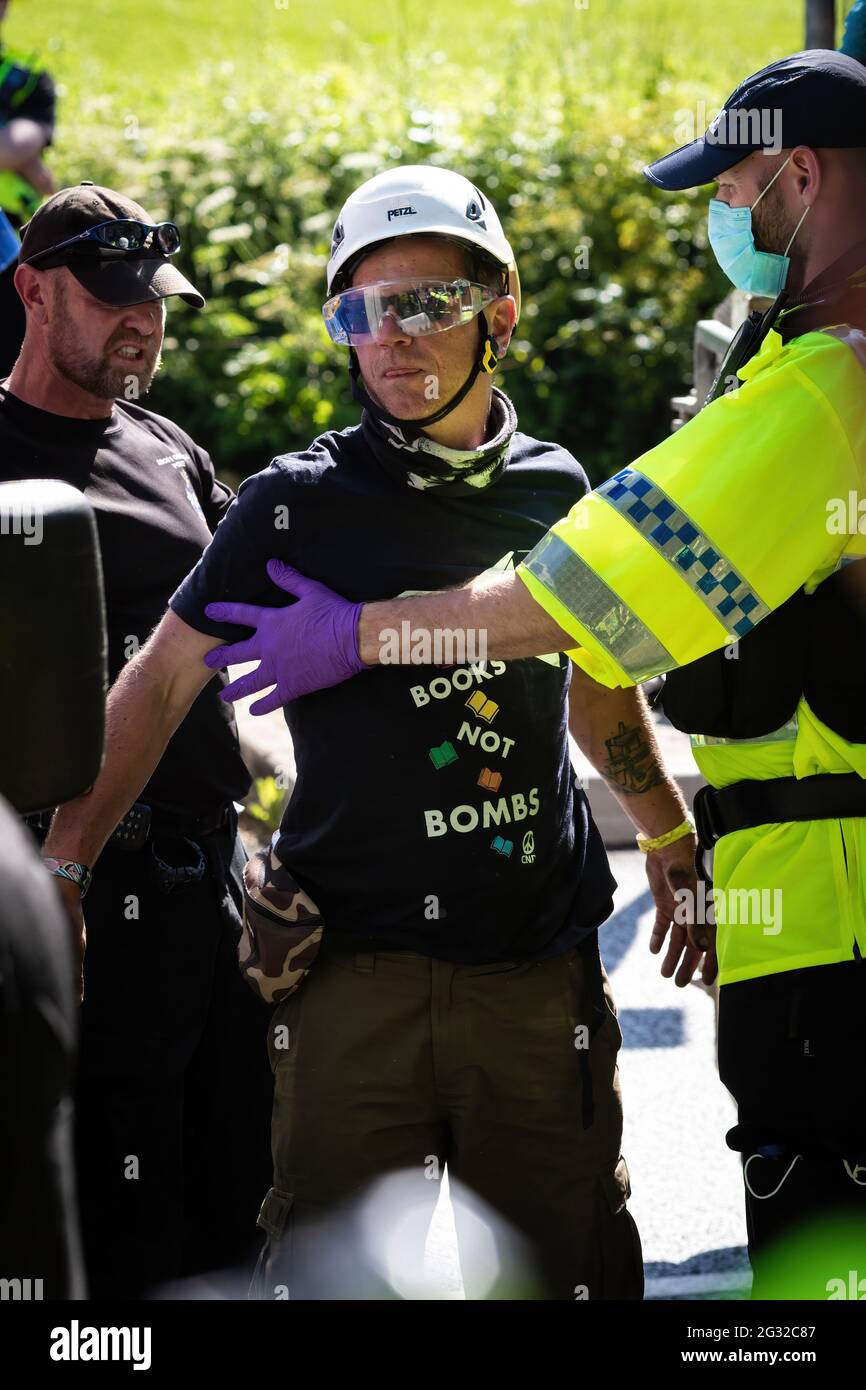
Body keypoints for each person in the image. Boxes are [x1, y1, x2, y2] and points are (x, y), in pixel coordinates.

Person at [209, 53, 866, 1297]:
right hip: (802, 917)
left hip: (835, 935)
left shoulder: (828, 379)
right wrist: (669, 835)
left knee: (816, 1272)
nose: (717, 222)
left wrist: (346, 635)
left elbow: (579, 608)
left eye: (728, 187)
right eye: (365, 310)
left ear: (797, 174)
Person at [39, 165, 709, 1300]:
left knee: (567, 1273)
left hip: (537, 979)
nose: (389, 339)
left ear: (498, 314)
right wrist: (61, 865)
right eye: (359, 311)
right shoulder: (294, 505)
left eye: (424, 306)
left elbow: (596, 685)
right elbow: (156, 687)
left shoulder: (558, 490)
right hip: (348, 986)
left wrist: (665, 831)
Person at [1, 182, 273, 1299]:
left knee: (236, 1200)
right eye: (113, 297)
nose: (143, 321)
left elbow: (227, 665)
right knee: (109, 1224)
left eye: (154, 297)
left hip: (207, 892)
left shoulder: (168, 449)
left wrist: (271, 827)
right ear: (29, 289)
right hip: (66, 898)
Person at [0, 0, 55, 374]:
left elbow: (12, 146)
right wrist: (29, 166)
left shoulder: (26, 76)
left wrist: (22, 157)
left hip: (11, 246)